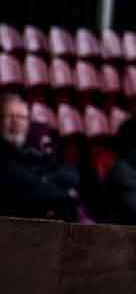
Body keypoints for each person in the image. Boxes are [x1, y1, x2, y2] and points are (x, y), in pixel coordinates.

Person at [0, 90, 81, 220]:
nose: (15, 123)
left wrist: (43, 179)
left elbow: (71, 175)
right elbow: (23, 187)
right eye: (8, 116)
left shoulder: (32, 149)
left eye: (21, 117)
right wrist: (66, 194)